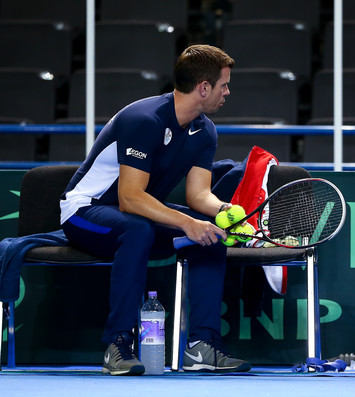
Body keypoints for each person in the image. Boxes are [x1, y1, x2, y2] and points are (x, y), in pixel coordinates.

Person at [59, 44, 251, 375]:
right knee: (139, 230)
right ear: (203, 87)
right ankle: (118, 345)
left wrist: (226, 211)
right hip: (84, 214)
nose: (227, 92)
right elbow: (129, 198)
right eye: (224, 84)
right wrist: (187, 222)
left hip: (136, 215)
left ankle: (203, 346)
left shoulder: (204, 130)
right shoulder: (143, 119)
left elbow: (198, 195)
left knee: (211, 236)